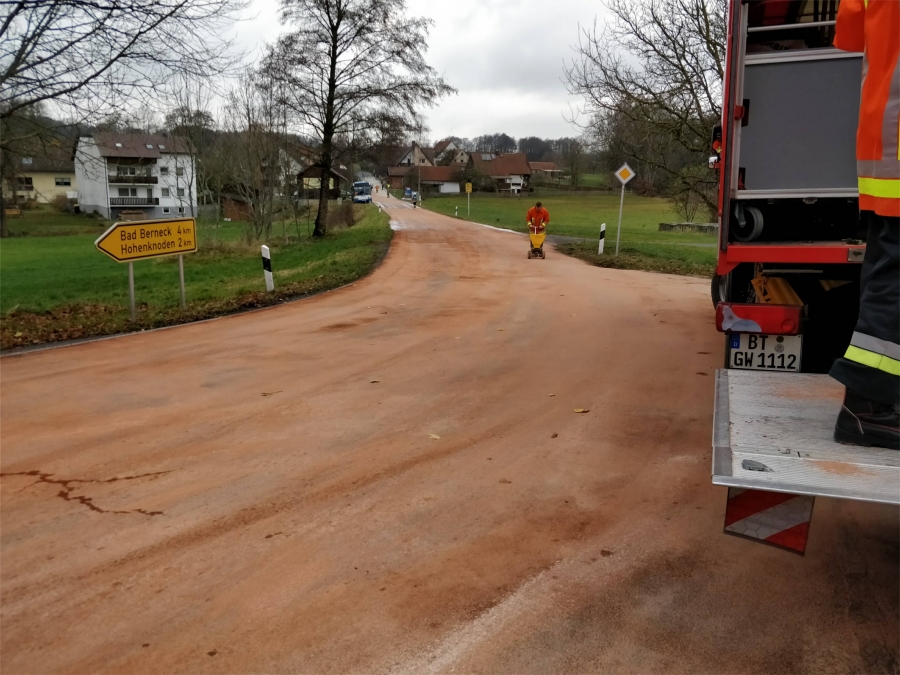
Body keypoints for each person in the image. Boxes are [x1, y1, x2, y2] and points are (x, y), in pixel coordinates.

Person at [829, 0, 899, 449]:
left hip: (882, 142)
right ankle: (870, 406)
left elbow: (848, 33)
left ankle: (872, 404)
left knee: (887, 266)